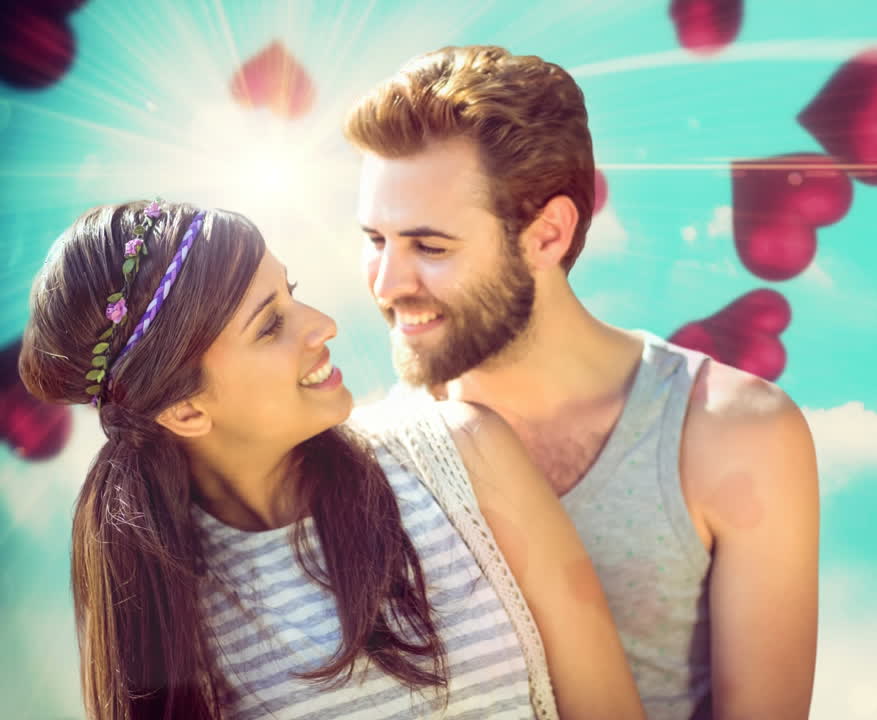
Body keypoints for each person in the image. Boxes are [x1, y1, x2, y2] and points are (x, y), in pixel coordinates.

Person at [18, 200, 642, 720]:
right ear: (184, 412)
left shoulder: (466, 454)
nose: (323, 325)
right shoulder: (161, 607)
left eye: (292, 295)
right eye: (269, 326)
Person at [345, 45, 820, 720]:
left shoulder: (733, 434)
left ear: (549, 234)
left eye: (431, 247)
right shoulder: (361, 461)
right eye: (374, 240)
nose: (389, 285)